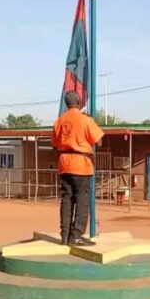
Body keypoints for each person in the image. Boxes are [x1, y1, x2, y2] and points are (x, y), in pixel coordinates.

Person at [52, 90, 104, 246]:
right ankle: (76, 235)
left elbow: (55, 144)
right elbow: (99, 141)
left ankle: (65, 235)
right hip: (81, 164)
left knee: (67, 200)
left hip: (64, 164)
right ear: (79, 102)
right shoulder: (85, 120)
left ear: (67, 103)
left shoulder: (59, 121)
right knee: (82, 201)